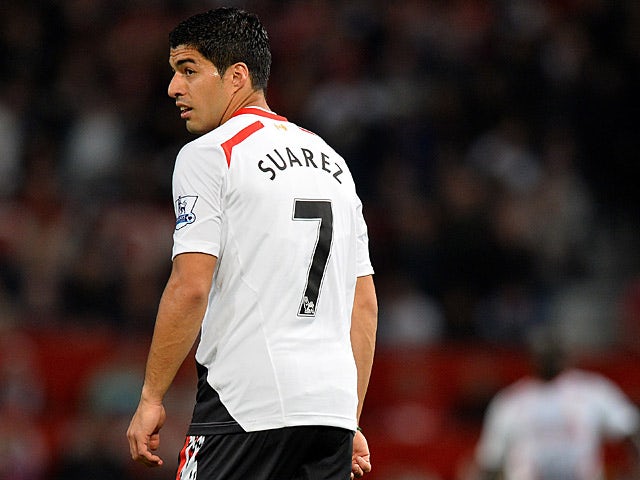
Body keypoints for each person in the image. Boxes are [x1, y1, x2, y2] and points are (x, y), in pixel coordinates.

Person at [126, 7, 378, 480]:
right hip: (331, 411)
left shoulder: (209, 154)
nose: (173, 88)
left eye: (188, 70)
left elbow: (191, 285)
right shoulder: (335, 164)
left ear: (237, 76)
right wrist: (349, 417)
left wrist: (151, 398)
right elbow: (363, 304)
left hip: (245, 408)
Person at [474, 331, 640, 480]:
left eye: (554, 353)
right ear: (532, 358)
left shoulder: (592, 391)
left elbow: (630, 427)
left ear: (566, 356)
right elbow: (490, 461)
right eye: (543, 354)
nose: (549, 359)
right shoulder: (510, 401)